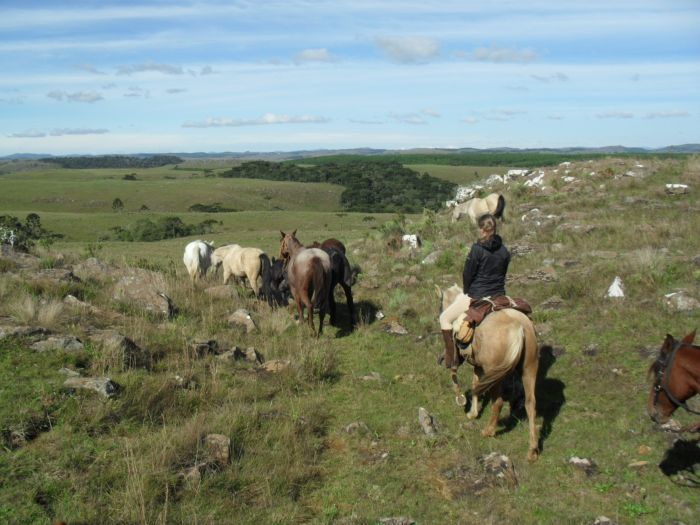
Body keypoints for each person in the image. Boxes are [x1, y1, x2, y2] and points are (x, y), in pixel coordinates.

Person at [439, 213, 511, 368]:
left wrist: (467, 291)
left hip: (477, 295)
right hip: (498, 295)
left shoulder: (477, 249)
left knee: (444, 318)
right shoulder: (504, 251)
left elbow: (467, 273)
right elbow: (503, 274)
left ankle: (451, 359)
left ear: (482, 229)